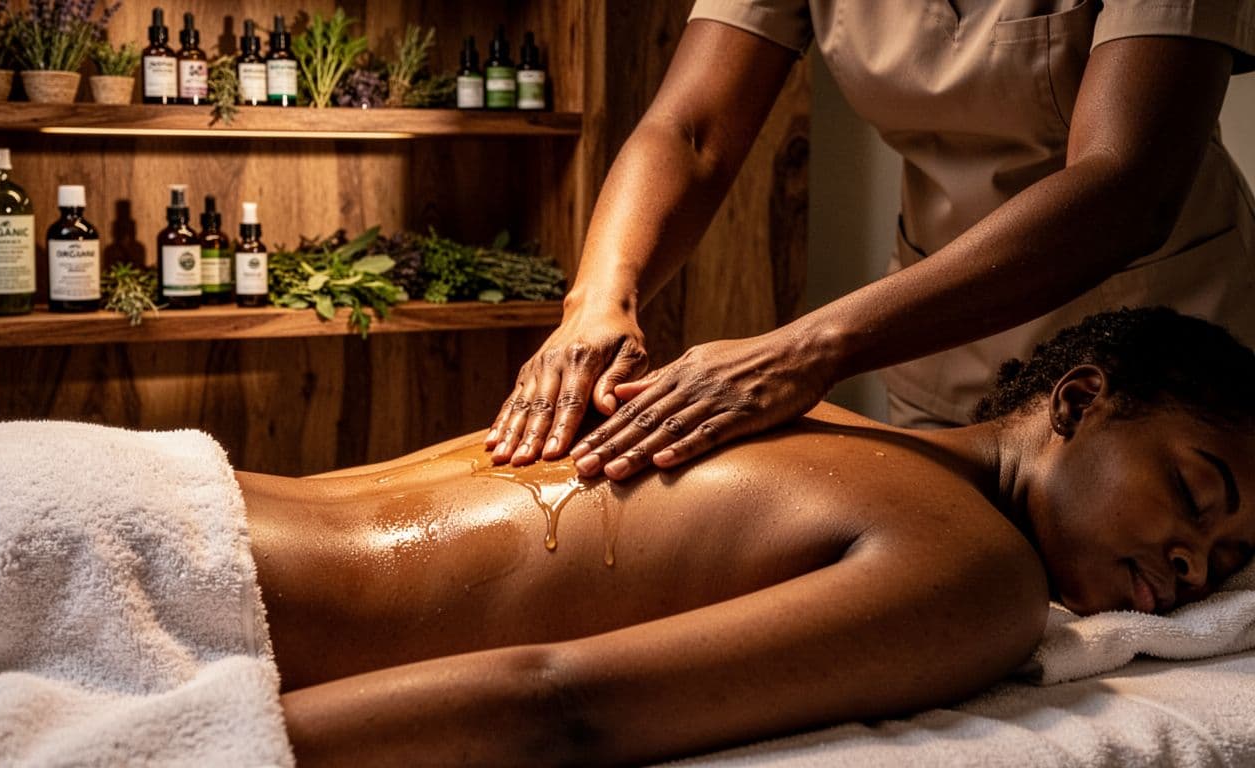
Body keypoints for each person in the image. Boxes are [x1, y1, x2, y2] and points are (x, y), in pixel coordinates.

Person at [240, 307, 1255, 765]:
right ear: (1077, 401)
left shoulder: (810, 424)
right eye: (1194, 493)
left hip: (196, 501)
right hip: (201, 589)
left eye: (1227, 562)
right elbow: (554, 707)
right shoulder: (977, 573)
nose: (1190, 562)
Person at [486, 0, 1255, 482]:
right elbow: (690, 131)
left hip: (1160, 355)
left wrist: (809, 348)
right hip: (941, 342)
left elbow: (1126, 182)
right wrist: (597, 299)